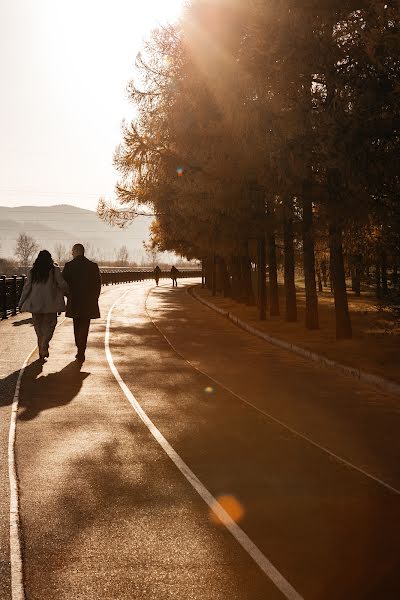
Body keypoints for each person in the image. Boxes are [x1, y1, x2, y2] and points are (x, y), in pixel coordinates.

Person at [19, 250, 69, 362]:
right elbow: (62, 284)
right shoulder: (54, 270)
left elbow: (26, 288)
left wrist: (21, 302)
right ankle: (44, 345)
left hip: (35, 305)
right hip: (50, 305)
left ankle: (41, 350)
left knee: (38, 328)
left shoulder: (33, 271)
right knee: (50, 326)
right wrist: (69, 290)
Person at [62, 243, 101, 363]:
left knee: (76, 325)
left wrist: (68, 296)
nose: (72, 253)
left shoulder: (69, 266)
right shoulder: (93, 266)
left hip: (74, 300)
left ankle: (79, 347)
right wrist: (94, 298)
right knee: (85, 326)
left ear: (76, 251)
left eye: (72, 251)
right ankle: (81, 350)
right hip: (88, 301)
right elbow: (97, 284)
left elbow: (63, 284)